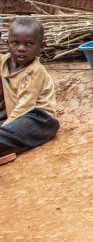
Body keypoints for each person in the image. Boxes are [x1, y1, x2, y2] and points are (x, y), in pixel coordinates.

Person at [0, 17, 59, 165]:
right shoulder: (3, 62)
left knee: (7, 133)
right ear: (7, 43)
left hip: (37, 119)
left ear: (41, 46)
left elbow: (24, 108)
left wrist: (5, 126)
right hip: (11, 115)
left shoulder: (34, 71)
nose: (21, 48)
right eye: (15, 43)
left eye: (29, 44)